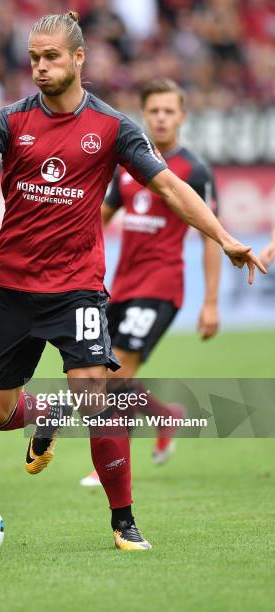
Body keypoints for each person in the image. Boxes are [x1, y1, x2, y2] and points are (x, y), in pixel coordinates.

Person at [0, 12, 265, 552]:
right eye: (33, 58)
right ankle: (44, 411)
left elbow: (170, 188)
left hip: (77, 288)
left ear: (78, 59)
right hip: (11, 286)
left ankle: (124, 521)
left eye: (51, 57)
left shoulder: (115, 127)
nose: (40, 67)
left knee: (97, 396)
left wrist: (226, 236)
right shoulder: (10, 120)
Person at [81, 77, 221, 486]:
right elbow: (96, 223)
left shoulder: (193, 170)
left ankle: (106, 462)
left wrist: (210, 302)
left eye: (168, 111)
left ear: (182, 116)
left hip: (161, 287)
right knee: (108, 374)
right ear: (145, 115)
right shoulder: (129, 168)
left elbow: (212, 236)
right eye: (154, 111)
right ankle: (166, 416)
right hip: (120, 287)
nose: (161, 118)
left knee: (113, 374)